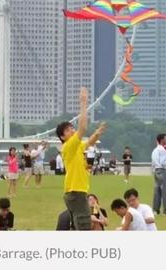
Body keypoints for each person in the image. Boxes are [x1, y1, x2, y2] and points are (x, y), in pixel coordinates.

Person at [57, 87, 107, 231]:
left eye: (72, 128)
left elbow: (88, 142)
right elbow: (83, 128)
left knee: (79, 225)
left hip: (76, 192)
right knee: (84, 227)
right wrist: (83, 102)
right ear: (62, 137)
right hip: (76, 192)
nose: (72, 130)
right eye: (68, 130)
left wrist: (97, 133)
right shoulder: (69, 145)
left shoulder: (76, 146)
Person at [151, 133, 166, 215]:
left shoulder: (155, 150)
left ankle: (155, 210)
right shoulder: (162, 150)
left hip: (156, 170)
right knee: (165, 191)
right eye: (165, 138)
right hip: (163, 170)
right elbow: (164, 162)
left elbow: (153, 162)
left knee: (157, 191)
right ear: (162, 140)